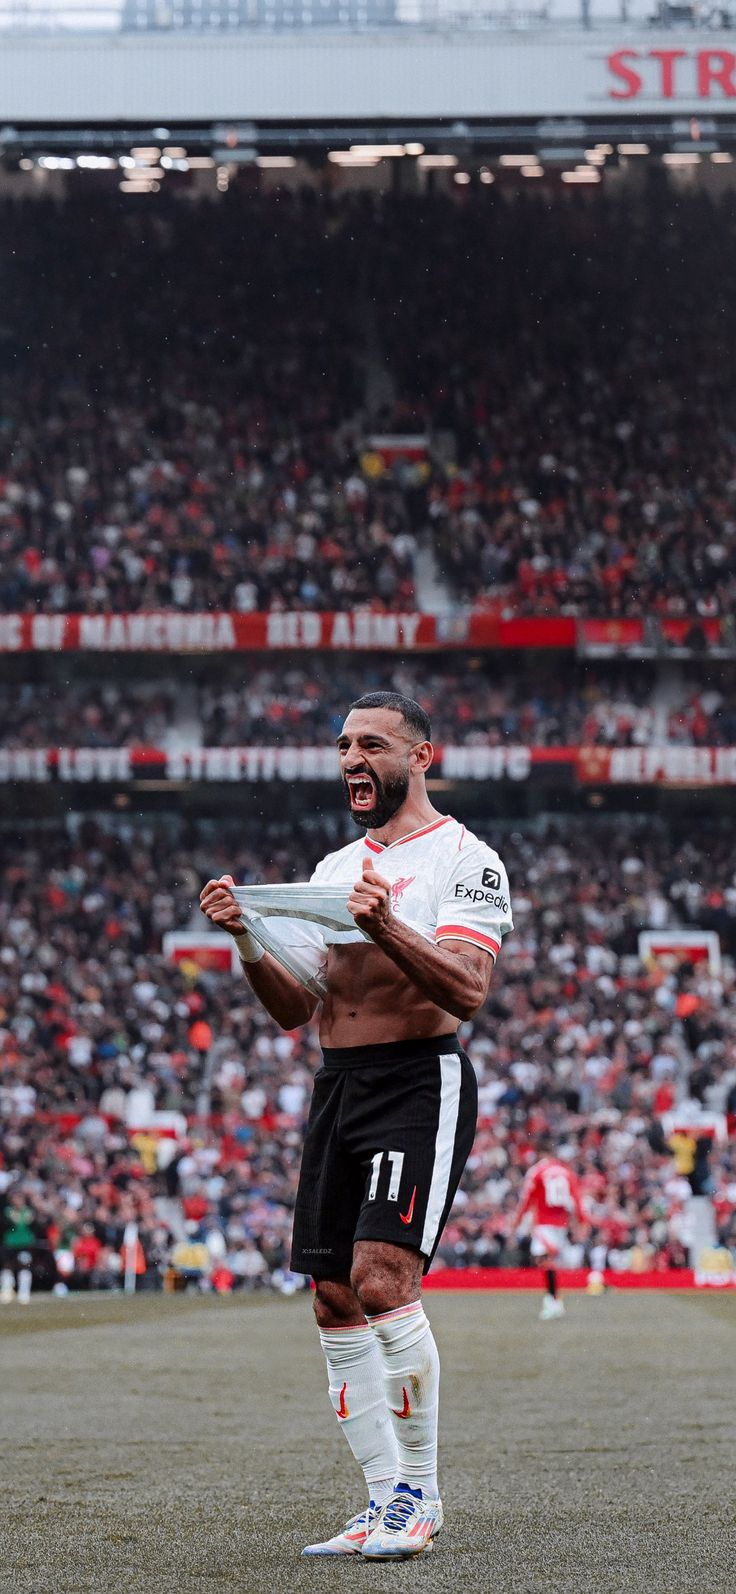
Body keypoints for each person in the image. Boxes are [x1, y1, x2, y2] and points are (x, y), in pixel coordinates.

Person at [200, 691, 513, 1560]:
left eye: (371, 743)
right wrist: (249, 941)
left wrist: (388, 923)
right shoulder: (335, 867)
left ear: (421, 756)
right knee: (333, 1293)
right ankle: (380, 1501)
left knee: (382, 1279)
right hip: (338, 1082)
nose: (350, 758)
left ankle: (420, 1495)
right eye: (342, 744)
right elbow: (297, 1011)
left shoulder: (467, 859)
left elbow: (467, 992)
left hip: (419, 1079)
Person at [514, 1139, 587, 1320]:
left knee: (543, 1259)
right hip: (560, 1224)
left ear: (539, 1154)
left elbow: (527, 1199)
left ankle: (553, 1300)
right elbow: (576, 1199)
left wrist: (517, 1220)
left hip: (544, 1223)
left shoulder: (537, 1171)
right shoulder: (566, 1172)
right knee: (546, 1260)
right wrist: (581, 1221)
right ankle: (553, 1298)